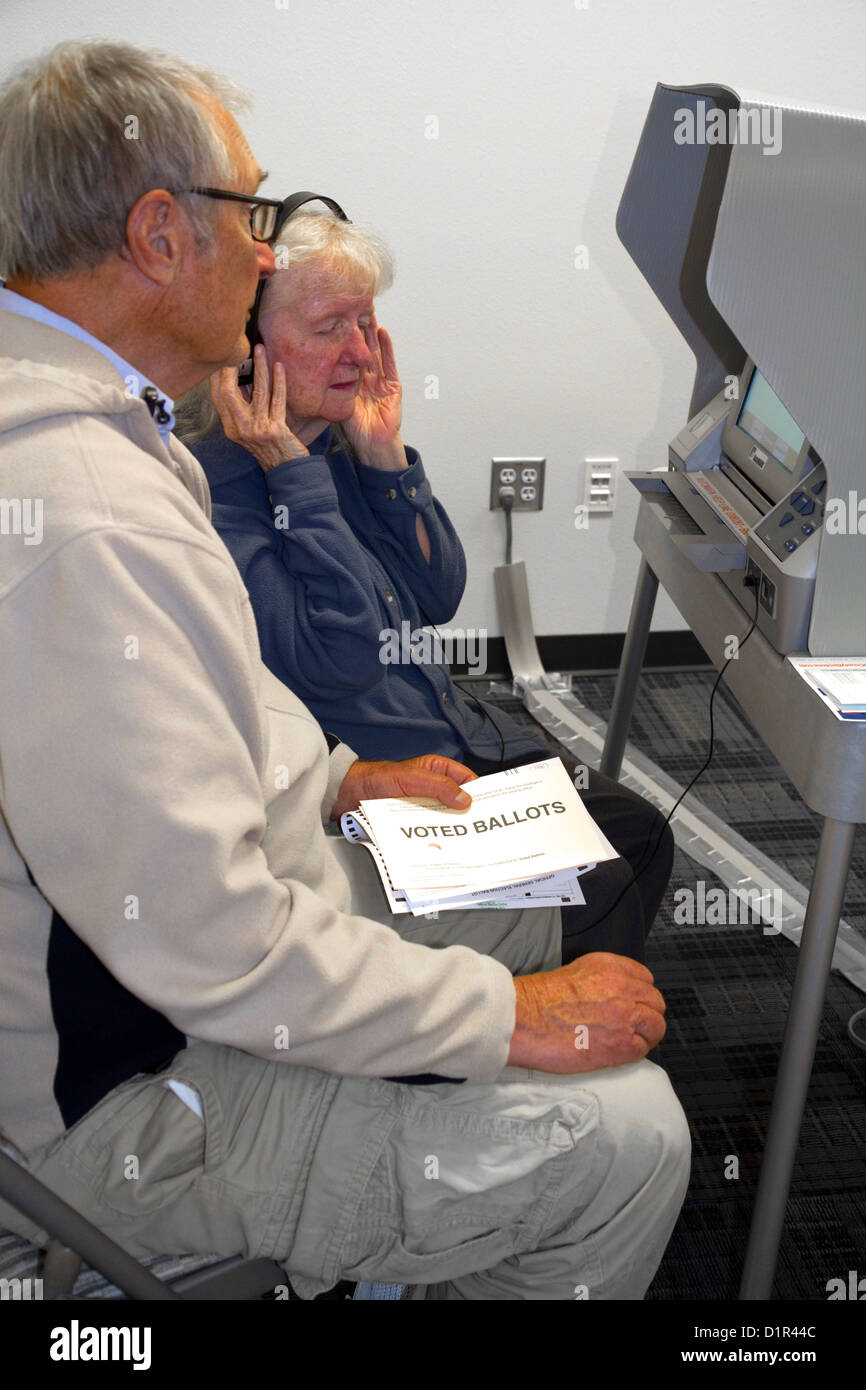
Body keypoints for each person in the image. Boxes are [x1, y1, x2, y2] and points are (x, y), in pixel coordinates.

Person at [0, 38, 689, 1300]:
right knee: (635, 1136)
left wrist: (333, 776)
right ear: (159, 234)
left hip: (228, 914)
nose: (266, 250)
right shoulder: (87, 514)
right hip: (124, 1092)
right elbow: (211, 944)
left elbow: (346, 638)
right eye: (252, 215)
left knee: (572, 881)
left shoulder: (107, 426)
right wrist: (504, 1019)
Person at [184, 207, 674, 964]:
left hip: (462, 738)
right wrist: (294, 478)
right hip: (390, 793)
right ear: (248, 352)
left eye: (365, 321)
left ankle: (556, 1003)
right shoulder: (223, 497)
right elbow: (339, 660)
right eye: (326, 328)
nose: (356, 351)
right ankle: (524, 1021)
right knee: (612, 874)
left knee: (643, 832)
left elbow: (439, 592)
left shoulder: (338, 446)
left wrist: (383, 457)